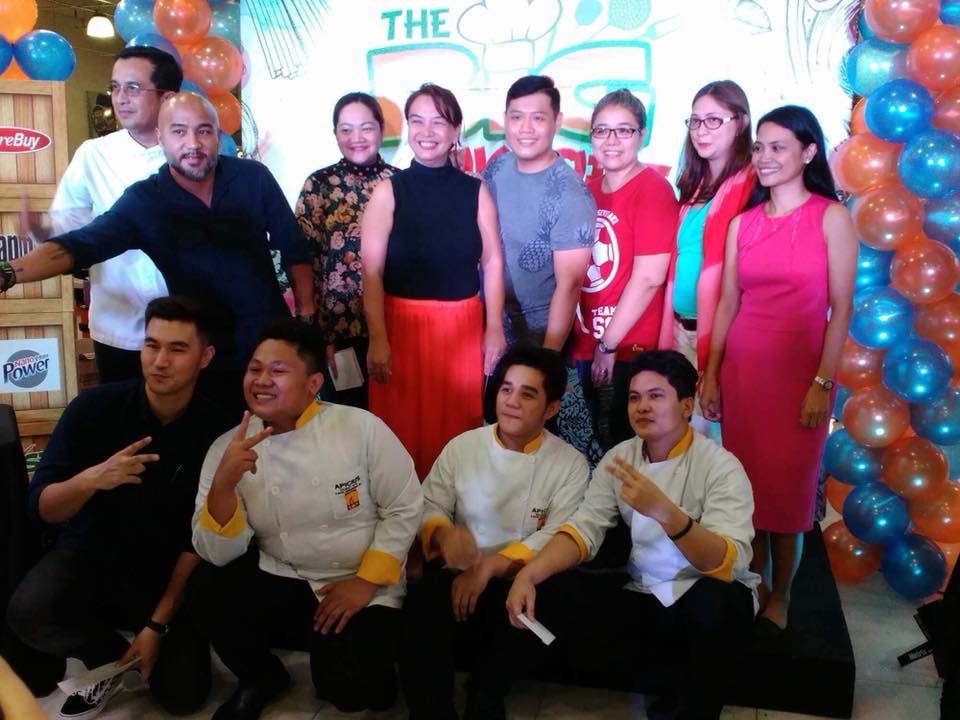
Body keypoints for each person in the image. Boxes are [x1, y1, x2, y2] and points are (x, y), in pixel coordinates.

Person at [6, 93, 315, 413]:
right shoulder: (145, 201)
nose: (193, 143)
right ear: (160, 138)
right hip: (203, 359)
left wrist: (307, 324)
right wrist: (9, 272)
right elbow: (80, 245)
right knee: (218, 441)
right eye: (179, 131)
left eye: (204, 131)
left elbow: (294, 248)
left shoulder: (253, 178)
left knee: (288, 439)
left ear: (218, 135)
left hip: (272, 350)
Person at [6, 296, 233, 720]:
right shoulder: (93, 408)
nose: (160, 361)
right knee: (29, 612)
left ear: (205, 357)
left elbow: (199, 542)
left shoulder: (216, 429)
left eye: (177, 349)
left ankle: (145, 643)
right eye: (152, 345)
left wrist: (157, 626)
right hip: (89, 554)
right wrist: (92, 479)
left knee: (183, 698)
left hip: (162, 571)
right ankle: (108, 659)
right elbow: (41, 509)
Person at [185, 319, 423, 720]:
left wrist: (365, 582)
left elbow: (404, 506)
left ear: (314, 383)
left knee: (353, 693)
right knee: (206, 585)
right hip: (285, 576)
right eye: (255, 369)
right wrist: (223, 485)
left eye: (277, 371)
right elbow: (218, 554)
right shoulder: (227, 447)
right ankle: (260, 677)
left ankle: (356, 656)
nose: (261, 380)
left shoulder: (359, 427)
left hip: (357, 579)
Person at [506, 350, 759, 720]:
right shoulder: (621, 458)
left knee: (714, 603)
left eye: (656, 396)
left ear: (686, 406)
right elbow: (584, 528)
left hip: (708, 589)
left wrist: (666, 513)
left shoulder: (721, 467)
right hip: (645, 590)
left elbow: (724, 562)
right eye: (634, 397)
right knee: (558, 591)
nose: (642, 407)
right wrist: (528, 574)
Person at [700, 105, 857, 632]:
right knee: (747, 491)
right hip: (744, 375)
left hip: (800, 379)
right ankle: (757, 584)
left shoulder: (831, 218)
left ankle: (782, 594)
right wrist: (711, 374)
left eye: (778, 147)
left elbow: (841, 309)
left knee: (788, 494)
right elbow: (727, 303)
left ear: (808, 152)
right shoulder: (741, 224)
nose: (765, 157)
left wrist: (821, 384)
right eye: (759, 147)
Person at [400, 346, 589, 720]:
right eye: (506, 389)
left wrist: (490, 567)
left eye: (527, 394)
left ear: (551, 408)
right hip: (459, 572)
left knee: (565, 596)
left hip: (521, 576)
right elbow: (430, 504)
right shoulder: (464, 446)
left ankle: (487, 694)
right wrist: (444, 536)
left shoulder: (570, 464)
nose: (511, 402)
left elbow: (557, 534)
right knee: (420, 608)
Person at [361, 83, 505, 479]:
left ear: (456, 130)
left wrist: (494, 328)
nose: (427, 132)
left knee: (458, 431)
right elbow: (371, 273)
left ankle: (453, 512)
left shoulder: (476, 191)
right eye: (417, 121)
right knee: (400, 434)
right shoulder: (389, 191)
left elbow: (493, 262)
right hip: (400, 328)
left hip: (461, 329)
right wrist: (378, 338)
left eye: (438, 122)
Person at [47, 46, 181, 383]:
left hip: (186, 325)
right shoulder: (94, 154)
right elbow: (67, 225)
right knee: (121, 411)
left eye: (133, 88)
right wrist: (44, 234)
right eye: (115, 87)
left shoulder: (190, 153)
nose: (120, 98)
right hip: (116, 325)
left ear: (167, 97)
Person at [481, 75, 597, 459]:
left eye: (538, 117)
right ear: (505, 119)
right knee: (497, 445)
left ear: (557, 121)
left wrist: (546, 363)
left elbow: (569, 286)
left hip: (542, 339)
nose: (525, 128)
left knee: (549, 449)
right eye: (516, 117)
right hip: (494, 332)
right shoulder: (496, 170)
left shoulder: (570, 192)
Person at [572, 89, 677, 450]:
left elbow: (649, 277)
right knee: (595, 449)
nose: (611, 140)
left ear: (642, 135)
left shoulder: (653, 190)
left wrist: (609, 343)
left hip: (628, 349)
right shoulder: (586, 190)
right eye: (602, 130)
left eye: (624, 130)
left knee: (625, 451)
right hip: (587, 343)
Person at [657, 80, 755, 435]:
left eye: (714, 120)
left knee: (713, 442)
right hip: (678, 330)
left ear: (741, 123)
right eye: (695, 121)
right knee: (675, 437)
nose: (701, 130)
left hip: (721, 338)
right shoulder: (693, 186)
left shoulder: (754, 185)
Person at [295, 92, 399, 408]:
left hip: (395, 327)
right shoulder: (319, 185)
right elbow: (305, 260)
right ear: (335, 133)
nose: (357, 138)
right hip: (339, 330)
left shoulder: (401, 183)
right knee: (347, 413)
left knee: (393, 415)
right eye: (346, 129)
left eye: (366, 128)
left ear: (381, 130)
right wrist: (318, 336)